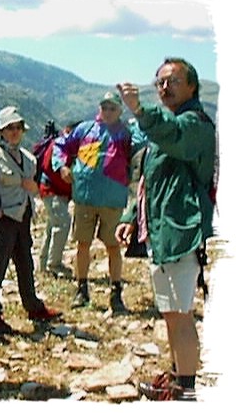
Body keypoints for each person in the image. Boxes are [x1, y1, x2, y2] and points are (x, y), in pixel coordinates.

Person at [116, 58, 217, 401]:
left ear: (192, 86)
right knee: (171, 312)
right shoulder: (167, 127)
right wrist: (131, 216)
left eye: (172, 81)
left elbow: (174, 136)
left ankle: (185, 390)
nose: (164, 87)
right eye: (159, 81)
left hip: (182, 232)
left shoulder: (195, 124)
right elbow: (151, 180)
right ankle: (176, 377)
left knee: (181, 313)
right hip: (163, 232)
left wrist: (140, 110)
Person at [53, 92, 146, 313]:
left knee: (113, 246)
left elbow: (143, 139)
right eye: (105, 107)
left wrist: (138, 115)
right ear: (99, 108)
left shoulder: (126, 133)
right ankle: (82, 289)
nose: (108, 112)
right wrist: (62, 166)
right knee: (82, 244)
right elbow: (61, 145)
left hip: (112, 199)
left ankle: (115, 292)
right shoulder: (85, 129)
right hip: (85, 197)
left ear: (120, 110)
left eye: (113, 108)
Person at [0, 106, 61, 333]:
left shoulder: (28, 158)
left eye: (18, 127)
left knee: (25, 262)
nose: (15, 132)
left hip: (24, 215)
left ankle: (33, 305)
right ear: (1, 132)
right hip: (3, 217)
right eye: (10, 128)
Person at [36, 120, 81, 278]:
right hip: (53, 190)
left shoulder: (63, 145)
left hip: (50, 190)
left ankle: (44, 265)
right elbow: (54, 170)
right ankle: (54, 265)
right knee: (62, 223)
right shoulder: (60, 146)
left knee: (52, 226)